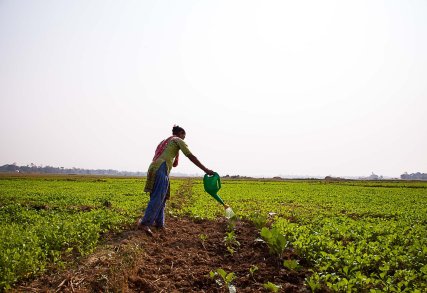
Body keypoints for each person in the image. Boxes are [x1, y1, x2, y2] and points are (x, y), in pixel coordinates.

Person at [137, 125, 215, 236]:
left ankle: (160, 224)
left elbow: (174, 163)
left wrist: (176, 154)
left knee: (162, 197)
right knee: (158, 197)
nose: (184, 138)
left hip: (153, 167)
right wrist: (206, 170)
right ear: (180, 133)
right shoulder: (178, 140)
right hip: (161, 168)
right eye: (184, 135)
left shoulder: (164, 142)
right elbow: (190, 156)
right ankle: (145, 223)